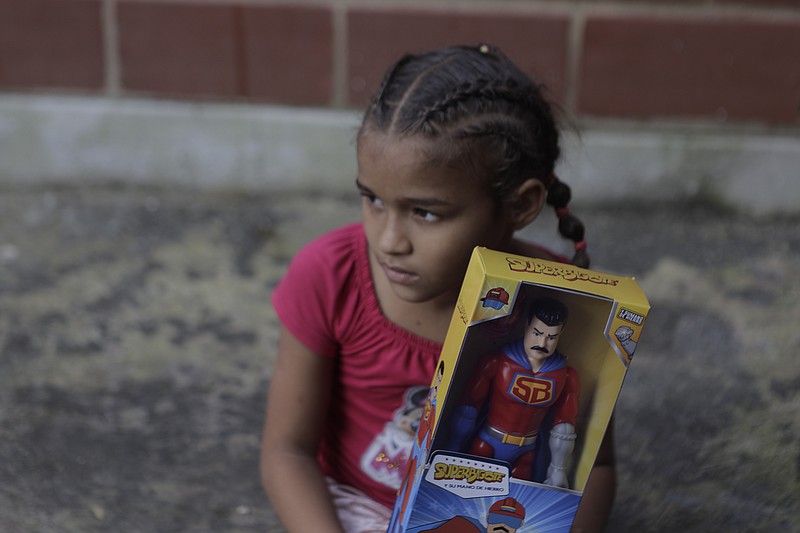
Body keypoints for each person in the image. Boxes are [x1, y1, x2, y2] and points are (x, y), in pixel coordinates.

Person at [260, 43, 615, 533]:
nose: (389, 241)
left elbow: (592, 468)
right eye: (373, 200)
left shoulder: (561, 309)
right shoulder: (328, 275)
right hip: (350, 509)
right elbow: (286, 451)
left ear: (519, 205)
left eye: (426, 213)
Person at [448, 296, 579, 488]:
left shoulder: (566, 375)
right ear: (526, 326)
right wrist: (452, 450)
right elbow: (468, 409)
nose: (542, 343)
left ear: (561, 333)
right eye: (537, 333)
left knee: (517, 500)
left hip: (526, 452)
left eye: (551, 337)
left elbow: (564, 427)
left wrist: (558, 470)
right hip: (487, 444)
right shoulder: (496, 363)